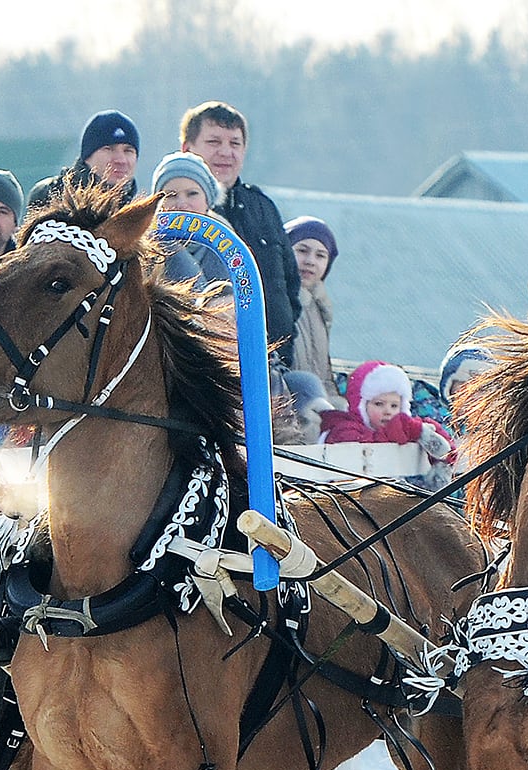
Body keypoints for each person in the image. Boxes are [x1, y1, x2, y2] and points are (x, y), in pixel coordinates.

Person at [181, 101, 302, 358]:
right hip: (207, 365)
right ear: (187, 149)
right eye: (214, 142)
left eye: (234, 143)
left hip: (272, 363)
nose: (226, 152)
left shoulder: (263, 209)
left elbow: (291, 287)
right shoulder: (176, 211)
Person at [316, 360, 457, 486]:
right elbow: (365, 447)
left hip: (386, 502)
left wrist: (426, 435)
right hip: (345, 500)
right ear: (360, 404)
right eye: (379, 404)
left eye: (394, 406)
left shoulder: (402, 426)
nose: (387, 411)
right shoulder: (344, 428)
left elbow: (446, 446)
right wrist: (398, 430)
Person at [149, 151, 229, 290]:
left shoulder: (228, 246)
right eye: (171, 195)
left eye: (192, 194)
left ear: (207, 201)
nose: (182, 204)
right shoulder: (146, 253)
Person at [38, 110, 140, 205]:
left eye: (128, 151)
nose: (121, 160)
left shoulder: (143, 214)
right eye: (109, 149)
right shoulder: (51, 197)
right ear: (87, 156)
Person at [284, 215, 336, 386]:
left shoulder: (319, 307)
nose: (310, 261)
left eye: (320, 255)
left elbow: (325, 376)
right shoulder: (277, 302)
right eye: (302, 251)